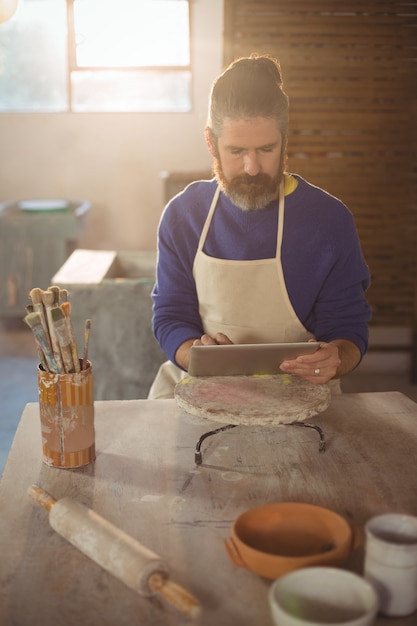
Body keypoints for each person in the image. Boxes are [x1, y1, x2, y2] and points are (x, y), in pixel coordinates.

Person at [149, 53, 371, 399]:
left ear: (285, 140)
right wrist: (195, 351)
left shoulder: (329, 221)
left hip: (300, 395)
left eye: (266, 149)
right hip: (200, 390)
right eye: (237, 151)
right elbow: (170, 317)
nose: (252, 168)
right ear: (211, 143)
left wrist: (335, 358)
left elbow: (348, 328)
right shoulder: (184, 216)